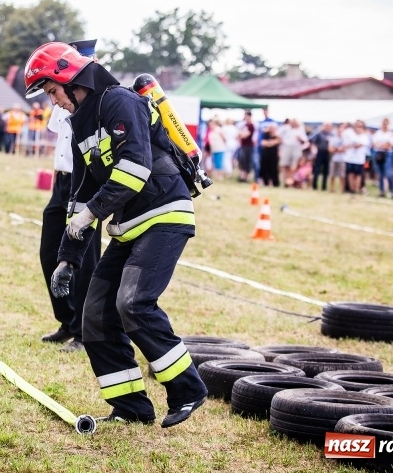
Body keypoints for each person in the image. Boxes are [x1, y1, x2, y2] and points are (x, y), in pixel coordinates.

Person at [24, 42, 207, 428]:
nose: (53, 102)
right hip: (128, 226)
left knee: (133, 303)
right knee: (95, 317)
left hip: (164, 215)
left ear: (70, 79)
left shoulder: (120, 102)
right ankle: (132, 409)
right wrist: (67, 259)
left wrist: (91, 212)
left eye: (53, 92)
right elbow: (81, 194)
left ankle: (189, 390)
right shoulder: (80, 126)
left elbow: (135, 169)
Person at [39, 39, 103, 354]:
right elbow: (60, 140)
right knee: (49, 253)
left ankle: (84, 332)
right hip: (61, 182)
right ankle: (66, 320)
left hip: (85, 185)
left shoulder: (94, 101)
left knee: (84, 261)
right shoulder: (61, 97)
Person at [278, 118, 309, 187]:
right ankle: (287, 180)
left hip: (296, 148)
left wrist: (300, 139)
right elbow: (277, 134)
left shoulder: (300, 129)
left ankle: (291, 180)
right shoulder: (285, 128)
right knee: (284, 164)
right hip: (286, 147)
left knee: (294, 165)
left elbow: (305, 141)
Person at [342, 121, 370, 195]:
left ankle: (357, 189)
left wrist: (354, 144)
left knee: (358, 175)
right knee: (351, 174)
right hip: (350, 158)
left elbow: (360, 145)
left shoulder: (364, 136)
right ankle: (352, 190)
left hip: (359, 159)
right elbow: (346, 144)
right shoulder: (349, 134)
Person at [371, 118, 393, 198]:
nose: (384, 125)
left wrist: (381, 144)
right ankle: (382, 191)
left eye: (386, 124)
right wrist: (383, 145)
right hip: (379, 153)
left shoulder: (390, 134)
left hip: (387, 154)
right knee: (380, 174)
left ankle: (392, 191)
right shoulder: (378, 133)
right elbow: (374, 143)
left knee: (389, 173)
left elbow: (389, 145)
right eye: (383, 124)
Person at [310, 122, 333, 191]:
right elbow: (312, 142)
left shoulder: (331, 134)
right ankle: (314, 186)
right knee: (317, 170)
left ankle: (324, 187)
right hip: (320, 152)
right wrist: (313, 151)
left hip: (328, 153)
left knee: (326, 171)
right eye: (326, 126)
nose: (328, 127)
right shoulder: (319, 133)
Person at [237, 111, 255, 182]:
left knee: (247, 161)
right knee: (242, 161)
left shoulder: (251, 126)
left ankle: (246, 177)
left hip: (248, 146)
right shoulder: (244, 125)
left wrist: (241, 134)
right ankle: (242, 176)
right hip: (243, 145)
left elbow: (245, 135)